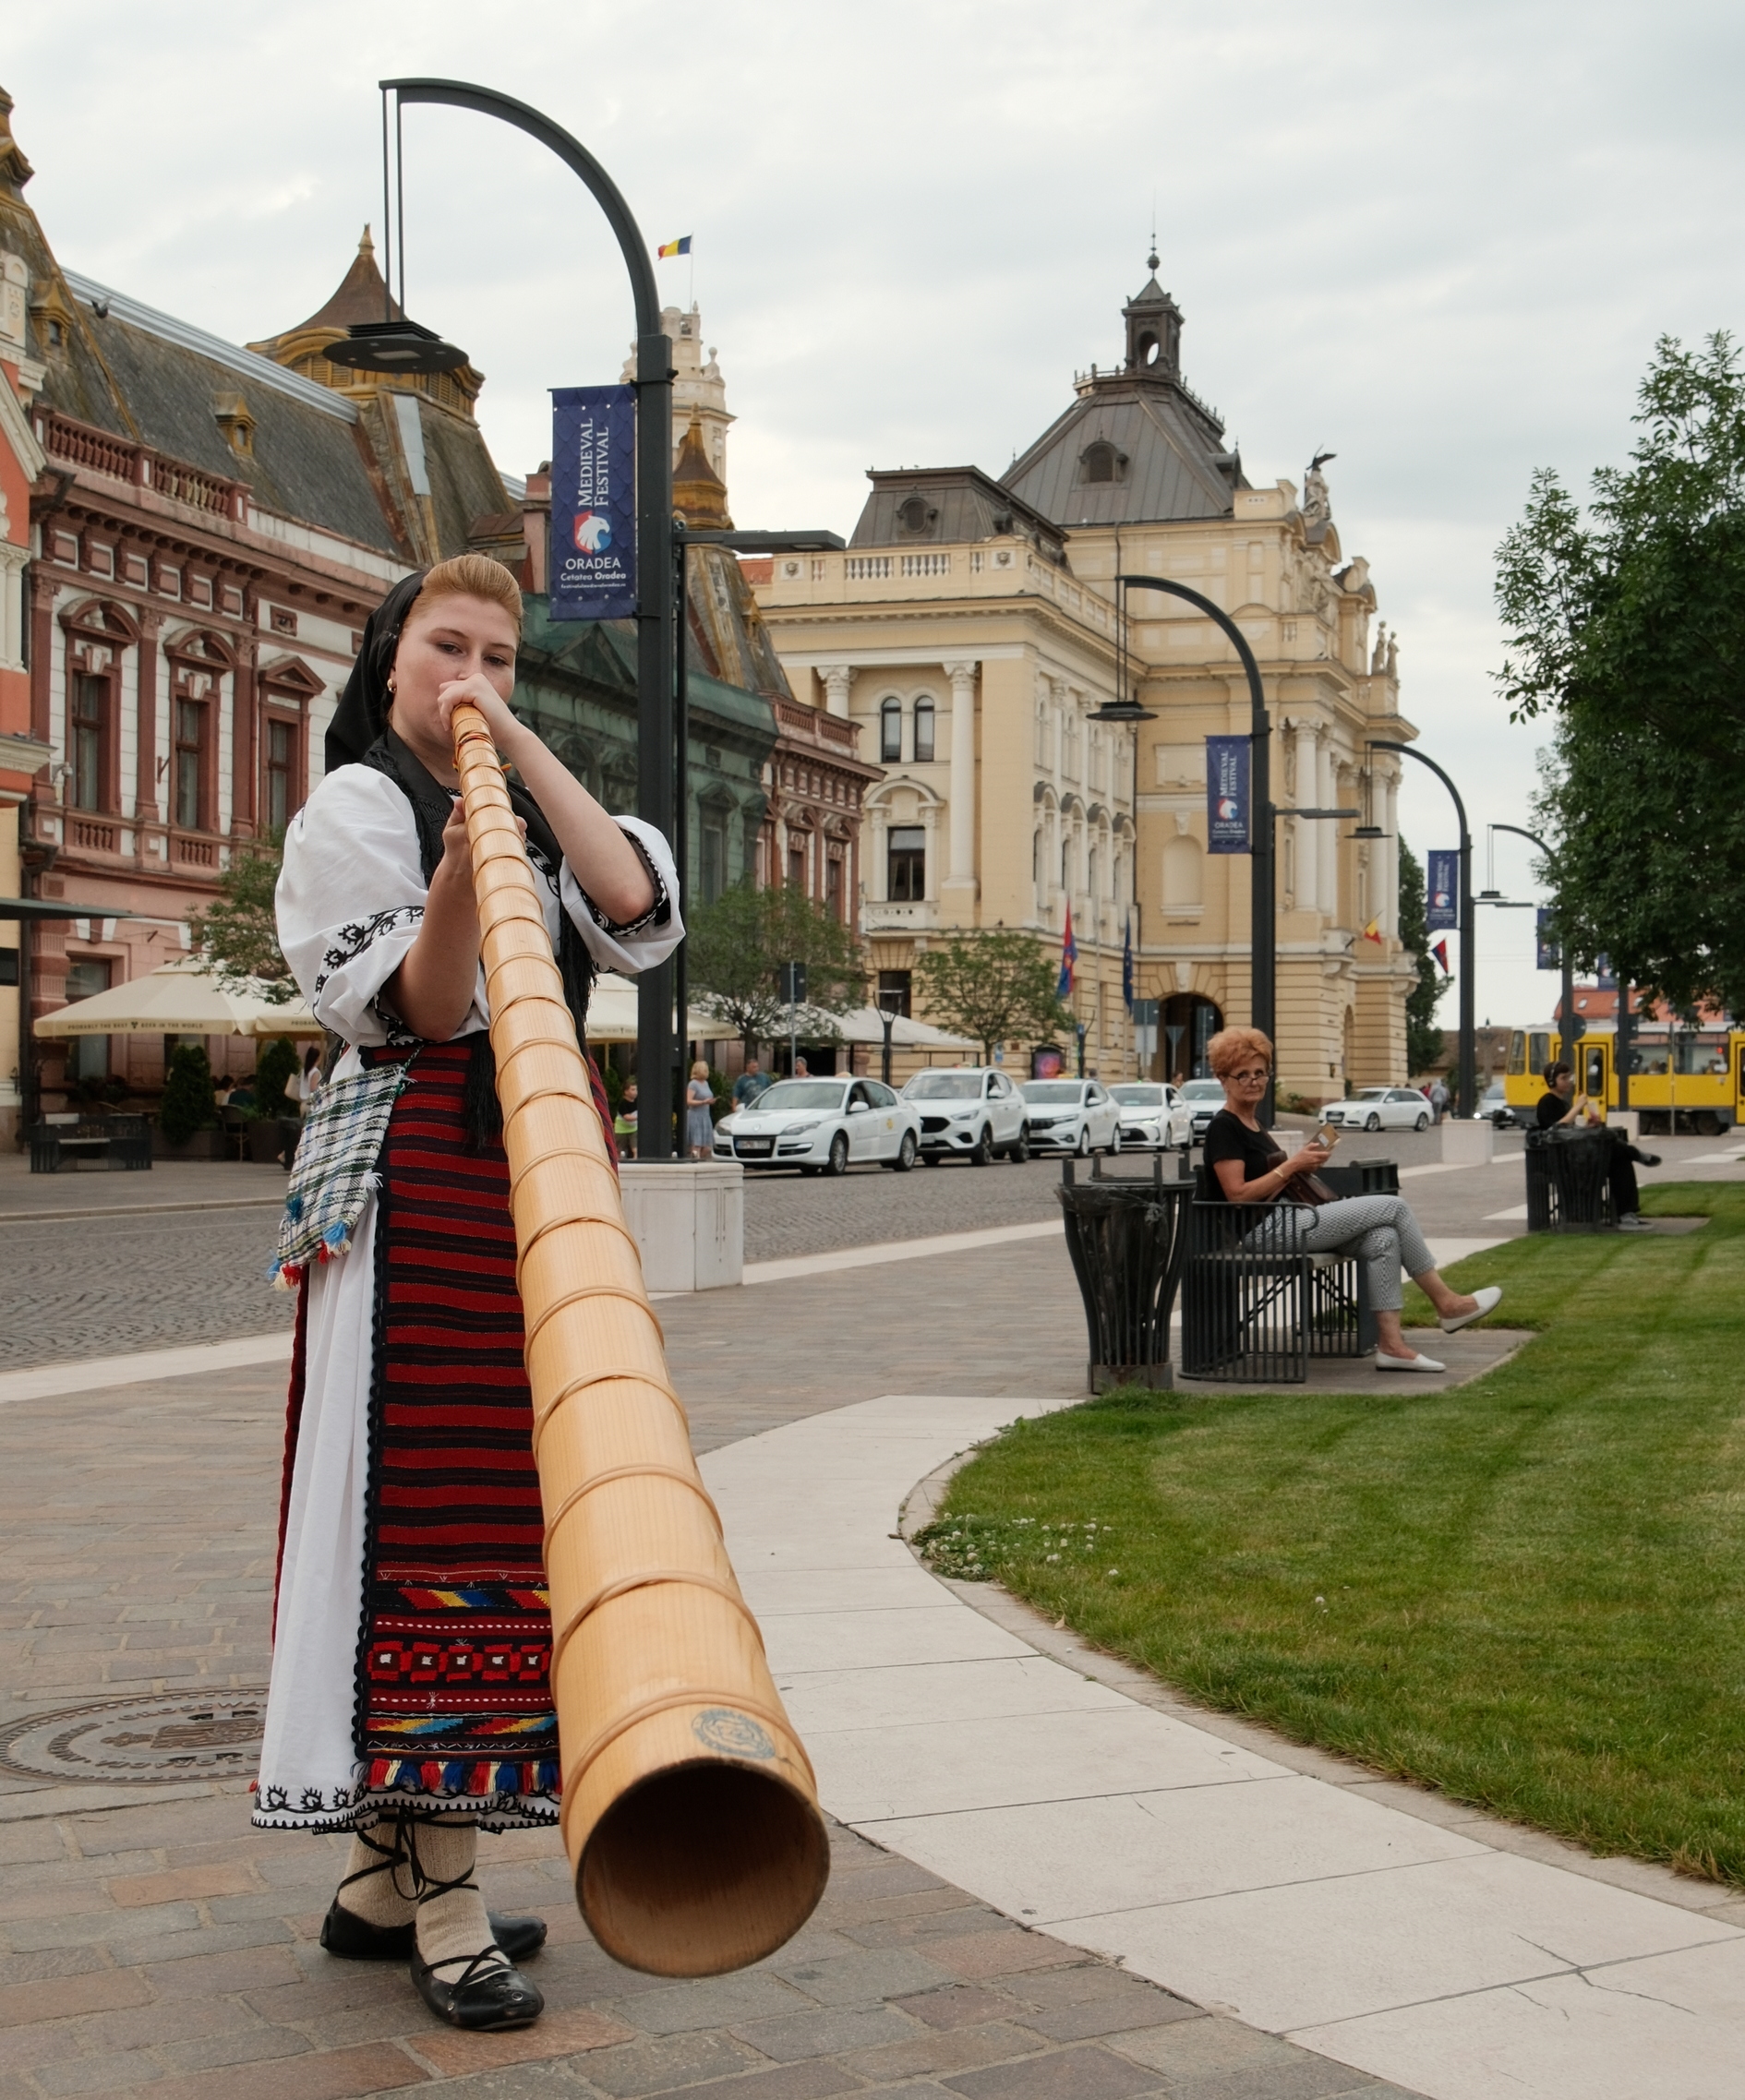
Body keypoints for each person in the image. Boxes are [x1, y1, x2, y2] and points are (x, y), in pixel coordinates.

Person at [257, 555, 680, 2034]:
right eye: (448, 648)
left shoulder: (528, 799)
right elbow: (425, 1007)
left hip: (532, 1160)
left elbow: (633, 903)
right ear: (390, 659)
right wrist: (457, 860)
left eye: (501, 655)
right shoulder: (356, 809)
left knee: (521, 1490)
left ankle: (384, 1881)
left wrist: (515, 752)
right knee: (441, 1503)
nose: (474, 676)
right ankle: (439, 1892)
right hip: (426, 1174)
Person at [1201, 1026, 1501, 1373]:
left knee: (1382, 1238)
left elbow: (1272, 1179)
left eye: (1260, 1072)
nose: (1254, 1081)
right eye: (1243, 1075)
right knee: (1394, 1206)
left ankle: (1392, 1346)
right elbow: (1237, 1194)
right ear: (1223, 1079)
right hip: (1264, 1230)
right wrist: (1292, 1165)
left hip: (1289, 1218)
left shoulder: (1252, 1123)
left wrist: (1304, 1162)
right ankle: (1447, 1303)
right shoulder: (1224, 1127)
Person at [1534, 1062, 1658, 1230]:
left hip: (1573, 1157)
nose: (1569, 1081)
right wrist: (1578, 1106)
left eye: (1569, 1077)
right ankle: (1636, 1154)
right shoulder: (1546, 1102)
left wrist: (1588, 1126)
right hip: (1563, 1162)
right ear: (1552, 1081)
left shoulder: (1563, 1103)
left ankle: (1627, 1215)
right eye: (1563, 1078)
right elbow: (1555, 1131)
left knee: (1621, 1162)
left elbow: (1568, 1132)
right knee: (1611, 1143)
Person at [685, 1060, 718, 1159]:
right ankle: (695, 1161)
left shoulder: (706, 1083)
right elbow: (689, 1101)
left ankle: (700, 1160)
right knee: (697, 1145)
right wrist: (703, 1102)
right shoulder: (693, 1084)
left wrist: (711, 1101)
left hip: (705, 1116)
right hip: (695, 1116)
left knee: (707, 1147)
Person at [613, 1079, 639, 1160]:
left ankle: (636, 1159)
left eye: (636, 1089)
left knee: (635, 1146)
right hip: (621, 1130)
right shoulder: (623, 1104)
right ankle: (618, 1161)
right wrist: (639, 1118)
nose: (635, 1092)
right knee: (620, 1148)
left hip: (633, 1129)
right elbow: (626, 1117)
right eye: (633, 1090)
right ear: (626, 1092)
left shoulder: (638, 1102)